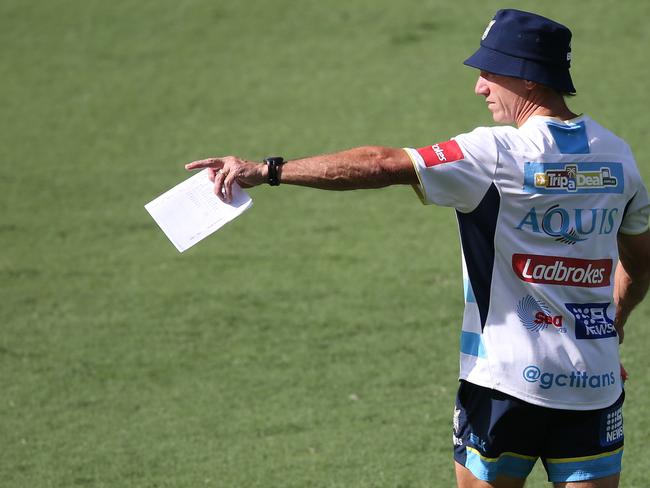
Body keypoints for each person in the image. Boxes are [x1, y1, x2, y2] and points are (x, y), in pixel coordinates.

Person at [185, 9, 650, 488]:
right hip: (593, 386)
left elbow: (382, 164)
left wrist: (268, 170)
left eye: (490, 72)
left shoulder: (493, 154)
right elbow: (640, 263)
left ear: (529, 79)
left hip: (504, 386)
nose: (480, 87)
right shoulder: (618, 156)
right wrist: (609, 327)